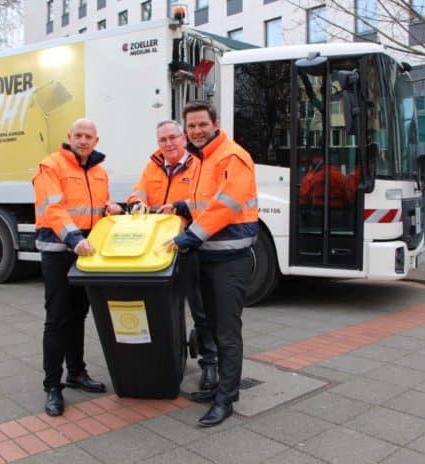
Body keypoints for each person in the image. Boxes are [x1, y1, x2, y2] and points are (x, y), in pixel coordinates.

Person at [165, 101, 258, 427]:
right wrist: (182, 205)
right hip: (211, 256)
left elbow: (227, 206)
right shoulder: (206, 158)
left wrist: (187, 238)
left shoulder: (231, 155)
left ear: (215, 123)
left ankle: (226, 399)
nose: (196, 131)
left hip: (229, 259)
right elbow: (208, 202)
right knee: (215, 328)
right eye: (191, 126)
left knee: (228, 332)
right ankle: (220, 386)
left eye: (202, 124)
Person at [33, 118, 122, 416]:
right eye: (78, 135)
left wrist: (110, 208)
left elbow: (96, 207)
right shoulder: (51, 166)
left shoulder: (99, 171)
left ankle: (76, 372)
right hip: (60, 251)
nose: (83, 140)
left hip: (87, 253)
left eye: (89, 136)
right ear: (68, 136)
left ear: (96, 141)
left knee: (78, 315)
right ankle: (52, 386)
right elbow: (53, 208)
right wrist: (73, 239)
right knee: (58, 318)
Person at [127, 120, 218, 391]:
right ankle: (167, 355)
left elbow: (210, 201)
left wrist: (182, 208)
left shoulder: (199, 164)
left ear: (184, 138)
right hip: (158, 248)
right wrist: (136, 204)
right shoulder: (153, 165)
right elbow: (137, 192)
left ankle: (210, 363)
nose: (168, 144)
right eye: (163, 140)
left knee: (200, 308)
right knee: (163, 306)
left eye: (173, 138)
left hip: (190, 245)